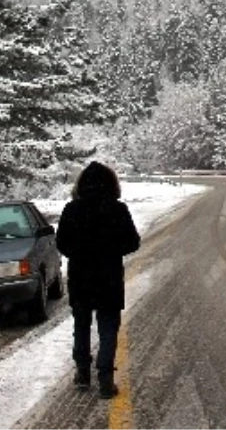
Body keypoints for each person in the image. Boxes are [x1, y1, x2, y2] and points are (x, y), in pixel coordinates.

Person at [56, 161, 141, 398]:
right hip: (109, 278)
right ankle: (105, 379)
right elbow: (133, 242)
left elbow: (61, 242)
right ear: (112, 184)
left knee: (81, 325)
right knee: (108, 327)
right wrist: (111, 250)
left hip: (80, 277)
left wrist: (79, 252)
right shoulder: (118, 209)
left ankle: (82, 372)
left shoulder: (71, 209)